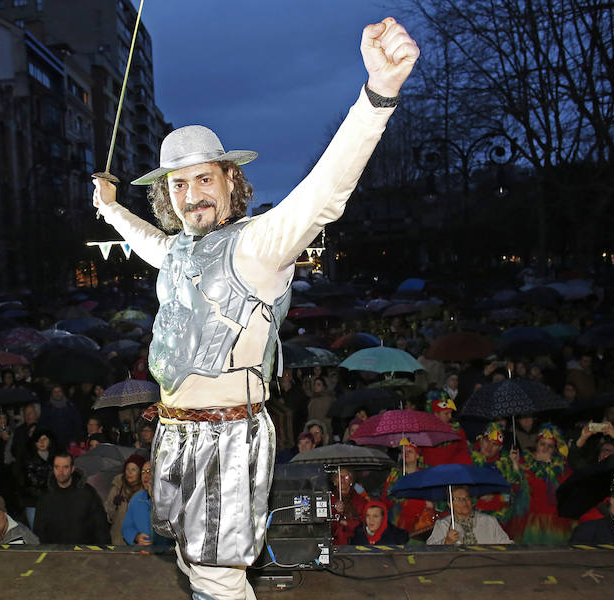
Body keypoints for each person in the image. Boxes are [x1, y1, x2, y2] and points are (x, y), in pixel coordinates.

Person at [91, 17, 418, 599]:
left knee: (218, 576)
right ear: (167, 194)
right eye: (179, 185)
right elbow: (146, 241)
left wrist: (377, 96)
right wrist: (111, 208)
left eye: (204, 178)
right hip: (174, 434)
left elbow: (324, 192)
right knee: (195, 565)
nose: (192, 194)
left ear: (229, 179)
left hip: (229, 438)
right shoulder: (179, 251)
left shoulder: (257, 245)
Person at [509, 424, 576, 544]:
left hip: (556, 522)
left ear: (554, 449)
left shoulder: (561, 467)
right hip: (531, 522)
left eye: (550, 446)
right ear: (537, 445)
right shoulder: (526, 463)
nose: (545, 448)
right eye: (542, 444)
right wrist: (515, 464)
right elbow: (517, 487)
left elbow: (568, 490)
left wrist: (550, 467)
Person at [33, 453, 109, 545]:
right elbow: (39, 529)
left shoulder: (87, 493)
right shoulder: (45, 495)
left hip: (83, 552)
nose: (61, 472)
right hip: (54, 553)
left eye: (65, 467)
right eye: (57, 467)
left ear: (72, 469)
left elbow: (100, 526)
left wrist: (103, 552)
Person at [426, 486, 512, 545]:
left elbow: (507, 544)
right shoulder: (443, 525)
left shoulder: (489, 521)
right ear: (449, 504)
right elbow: (430, 549)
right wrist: (446, 542)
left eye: (467, 498)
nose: (464, 502)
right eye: (458, 499)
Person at [123, 460, 170, 546]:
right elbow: (127, 527)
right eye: (143, 472)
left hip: (166, 553)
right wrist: (136, 537)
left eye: (149, 471)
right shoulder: (137, 499)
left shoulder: (168, 497)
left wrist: (153, 498)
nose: (145, 475)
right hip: (142, 553)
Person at [105, 455, 146, 545]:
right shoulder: (117, 487)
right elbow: (109, 516)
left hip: (139, 541)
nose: (129, 472)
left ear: (140, 472)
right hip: (117, 540)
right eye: (127, 469)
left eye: (133, 469)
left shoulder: (145, 491)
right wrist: (114, 505)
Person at [330, 467, 370, 546]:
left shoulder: (360, 501)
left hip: (356, 542)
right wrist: (336, 512)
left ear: (351, 481)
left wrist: (346, 523)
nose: (342, 480)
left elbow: (365, 522)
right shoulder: (328, 499)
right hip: (334, 543)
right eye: (339, 477)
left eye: (346, 477)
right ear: (334, 481)